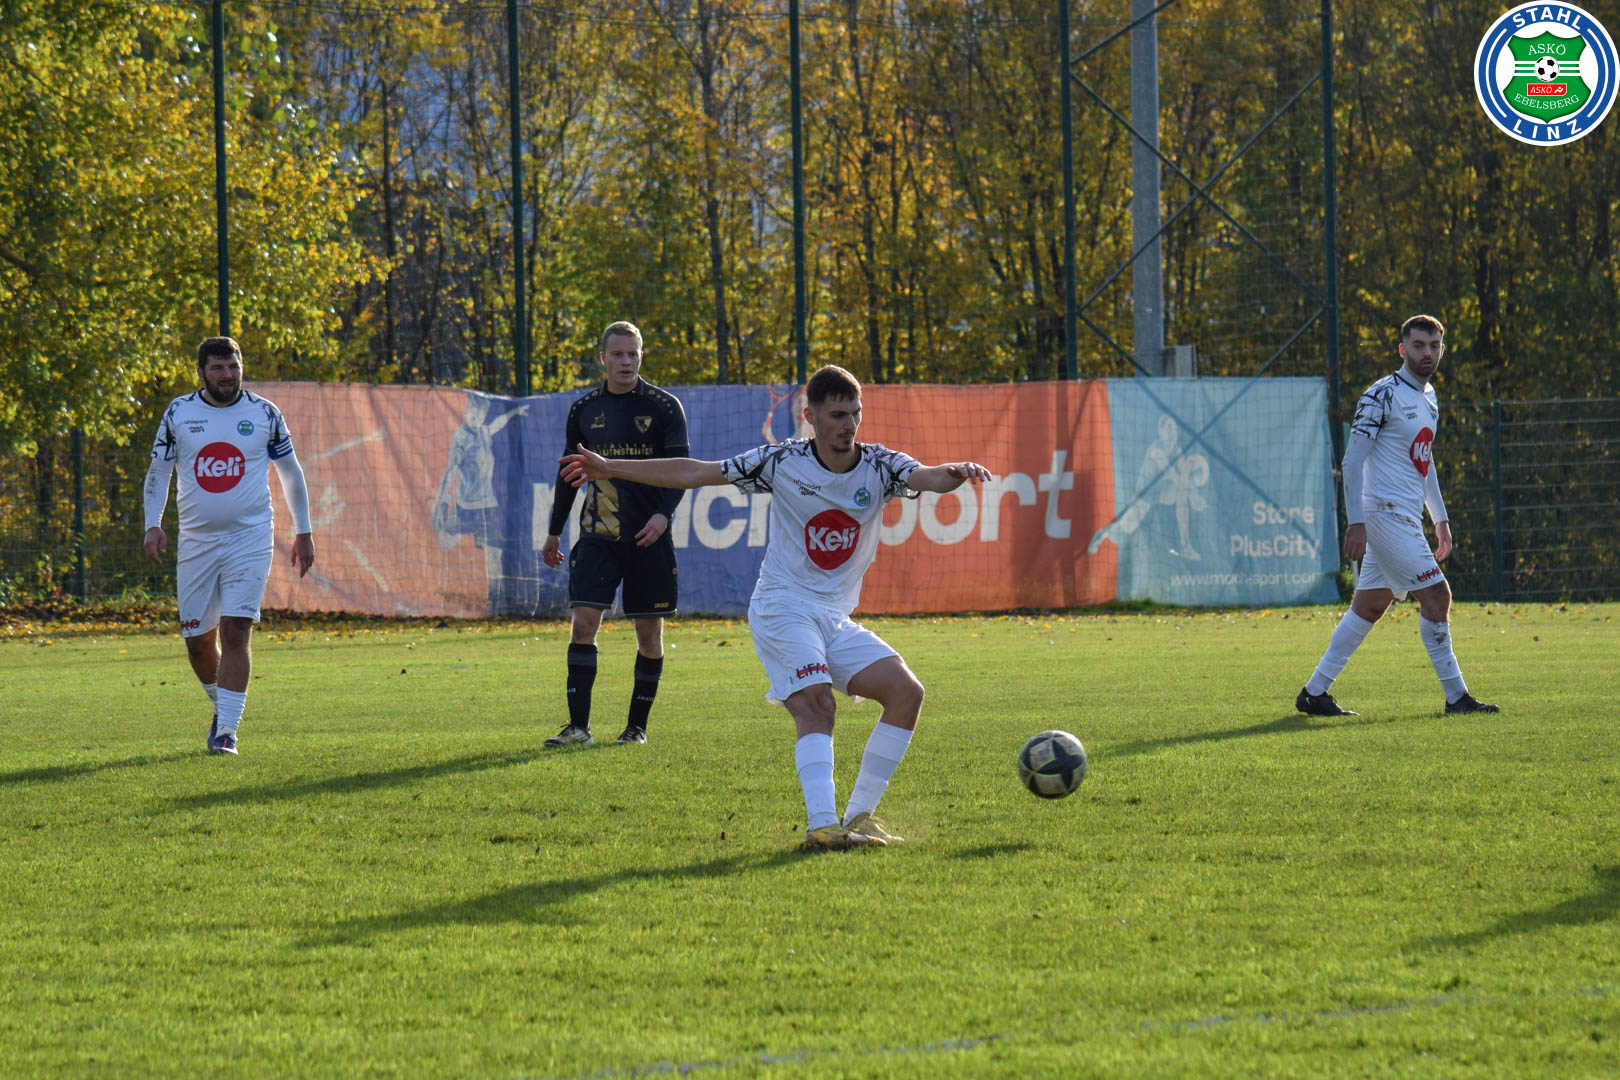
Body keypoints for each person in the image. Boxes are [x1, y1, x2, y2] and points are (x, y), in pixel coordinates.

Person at [560, 364, 992, 850]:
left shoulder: (879, 465)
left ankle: (860, 816)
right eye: (837, 415)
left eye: (855, 413)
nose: (849, 425)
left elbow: (927, 476)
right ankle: (822, 826)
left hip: (833, 618)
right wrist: (611, 467)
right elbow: (697, 472)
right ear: (810, 416)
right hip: (782, 607)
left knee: (906, 694)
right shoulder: (781, 461)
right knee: (817, 703)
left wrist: (955, 473)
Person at [1296, 314, 1497, 717]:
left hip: (1404, 517)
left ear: (1442, 349)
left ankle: (1314, 693)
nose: (1427, 353)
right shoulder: (1381, 394)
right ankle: (1457, 698)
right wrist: (1356, 523)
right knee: (1437, 596)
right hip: (1383, 514)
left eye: (1434, 346)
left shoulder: (1429, 397)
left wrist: (1440, 519)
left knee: (1370, 606)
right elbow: (1352, 461)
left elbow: (1425, 461)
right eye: (1419, 345)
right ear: (1402, 349)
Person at [142, 336, 316, 754]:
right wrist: (153, 524)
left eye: (233, 366)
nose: (227, 375)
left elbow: (290, 472)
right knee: (198, 644)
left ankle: (226, 733)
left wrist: (304, 531)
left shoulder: (264, 413)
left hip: (250, 537)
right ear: (201, 372)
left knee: (236, 630)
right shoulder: (179, 413)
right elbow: (159, 471)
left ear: (242, 368)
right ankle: (223, 708)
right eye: (218, 368)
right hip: (197, 542)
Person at [541, 321, 689, 747]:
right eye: (618, 354)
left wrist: (663, 516)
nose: (626, 362)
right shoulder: (584, 410)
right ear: (603, 358)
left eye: (633, 354)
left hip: (648, 538)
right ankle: (578, 728)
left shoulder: (665, 407)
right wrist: (554, 532)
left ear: (642, 356)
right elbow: (569, 475)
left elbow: (681, 472)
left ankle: (636, 728)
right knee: (583, 623)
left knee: (648, 634)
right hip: (598, 536)